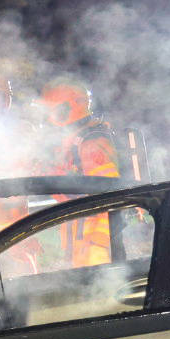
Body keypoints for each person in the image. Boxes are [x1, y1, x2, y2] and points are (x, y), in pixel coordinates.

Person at [38, 77, 120, 264]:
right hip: (80, 244)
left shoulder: (92, 143)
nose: (49, 114)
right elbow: (72, 195)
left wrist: (98, 246)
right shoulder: (75, 142)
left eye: (53, 107)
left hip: (95, 248)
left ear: (76, 103)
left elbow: (112, 197)